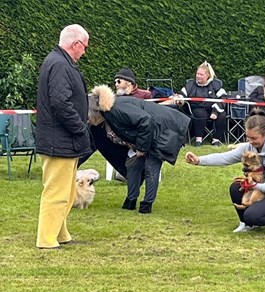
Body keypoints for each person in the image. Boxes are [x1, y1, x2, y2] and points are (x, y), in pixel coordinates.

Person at [185, 108, 265, 234]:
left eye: (254, 138)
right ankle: (247, 224)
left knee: (252, 215)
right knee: (235, 187)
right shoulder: (249, 146)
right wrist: (198, 160)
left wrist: (255, 186)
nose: (250, 141)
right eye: (248, 137)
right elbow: (225, 157)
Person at [88, 84, 190, 213]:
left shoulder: (115, 109)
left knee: (151, 167)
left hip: (165, 130)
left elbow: (145, 121)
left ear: (95, 111)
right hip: (151, 133)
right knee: (133, 165)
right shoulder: (109, 111)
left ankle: (146, 205)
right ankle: (131, 200)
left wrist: (141, 148)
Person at [36, 24, 92, 249]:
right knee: (56, 192)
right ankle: (46, 239)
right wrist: (80, 128)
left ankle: (60, 234)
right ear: (76, 44)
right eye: (84, 47)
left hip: (61, 140)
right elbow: (60, 103)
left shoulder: (58, 62)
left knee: (67, 192)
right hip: (57, 141)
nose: (84, 52)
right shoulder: (59, 64)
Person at [177, 61, 227, 147]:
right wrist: (180, 100)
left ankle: (216, 140)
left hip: (213, 108)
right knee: (200, 113)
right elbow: (182, 94)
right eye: (197, 74)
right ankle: (198, 139)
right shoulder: (190, 84)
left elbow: (223, 98)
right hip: (197, 108)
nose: (198, 76)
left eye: (201, 74)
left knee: (222, 115)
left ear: (208, 76)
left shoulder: (216, 84)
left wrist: (215, 111)